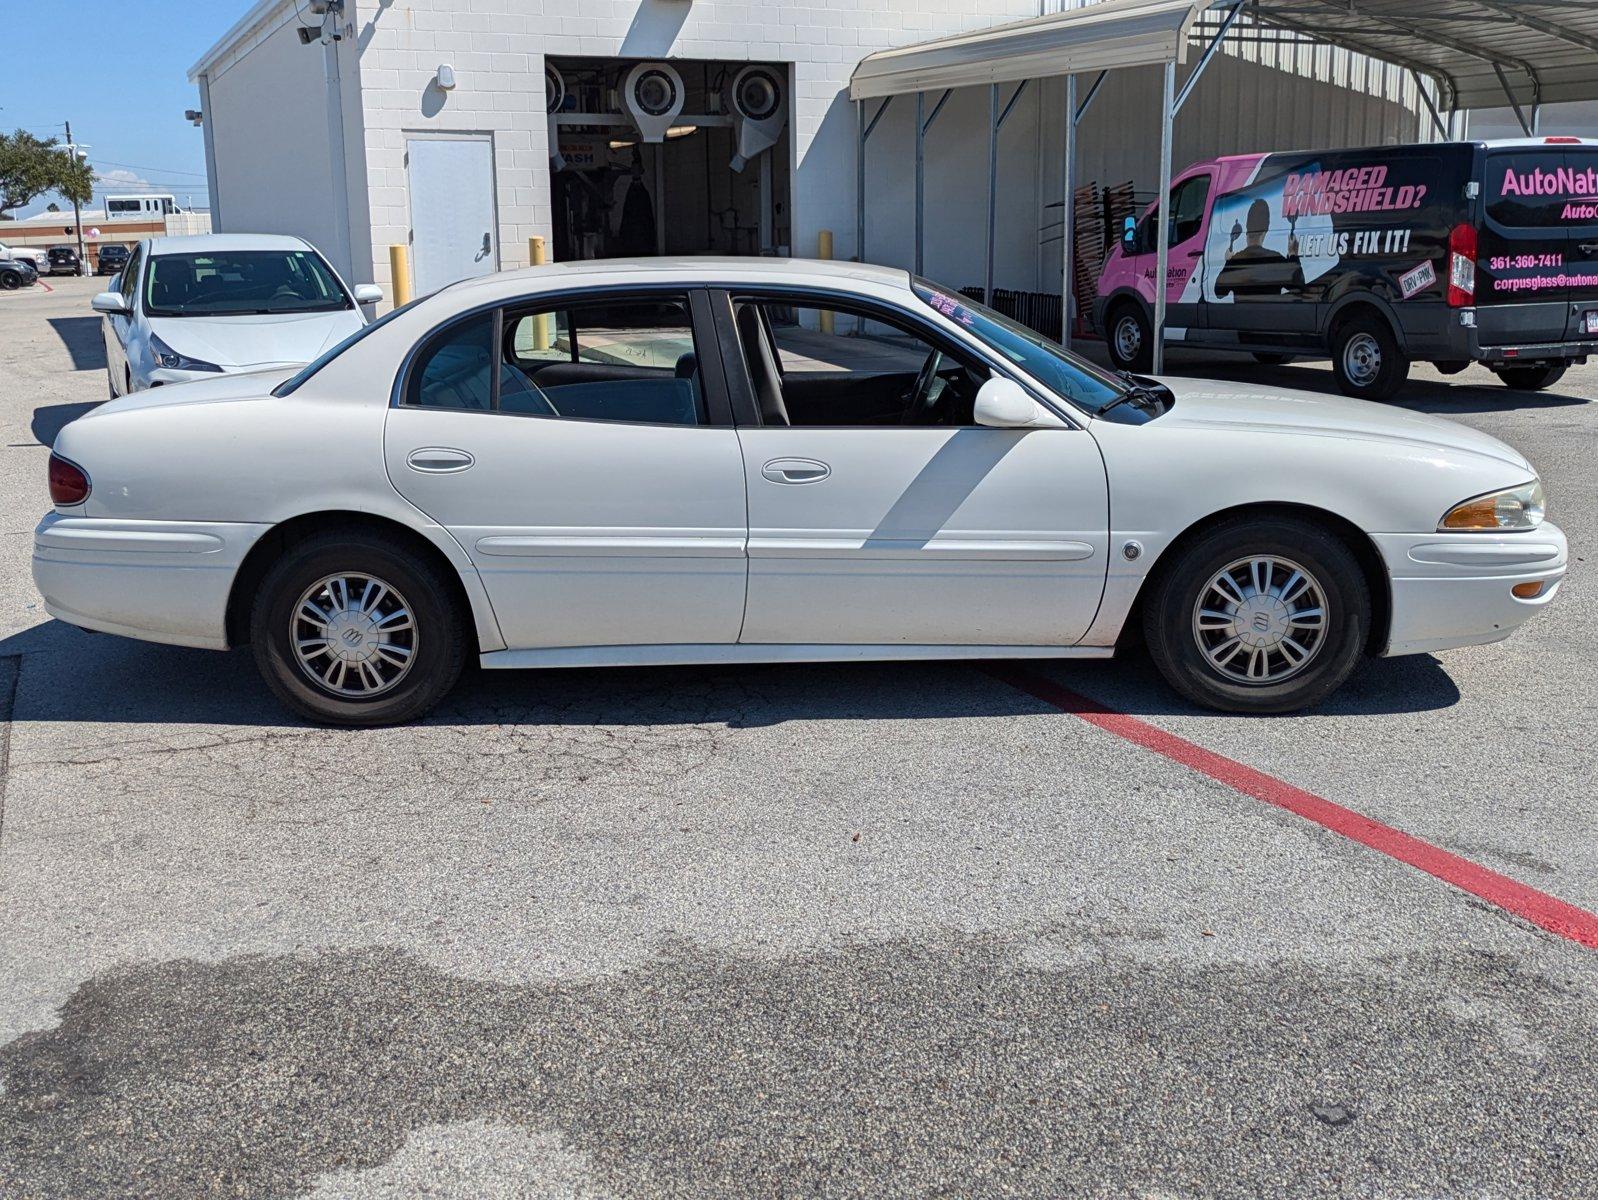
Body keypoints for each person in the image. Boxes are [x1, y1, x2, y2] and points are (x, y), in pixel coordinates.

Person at [1214, 198, 1304, 299]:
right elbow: (1299, 286)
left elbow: (1219, 292)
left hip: (1241, 314)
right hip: (1270, 314)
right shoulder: (1275, 260)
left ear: (1246, 229)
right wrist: (1293, 254)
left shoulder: (1236, 261)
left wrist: (1228, 262)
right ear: (1265, 231)